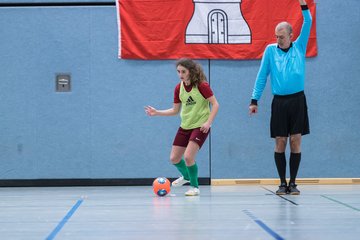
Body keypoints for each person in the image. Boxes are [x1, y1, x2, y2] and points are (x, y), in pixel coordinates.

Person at [249, 0, 312, 195]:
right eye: (276, 36)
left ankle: (293, 183)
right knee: (280, 142)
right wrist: (254, 99)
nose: (278, 40)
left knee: (295, 141)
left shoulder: (299, 47)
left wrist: (303, 5)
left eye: (282, 37)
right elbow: (262, 76)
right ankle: (282, 183)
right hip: (280, 102)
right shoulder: (270, 51)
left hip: (297, 101)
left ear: (291, 36)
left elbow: (308, 21)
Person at [145, 59, 219, 196]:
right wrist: (157, 112)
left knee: (189, 157)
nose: (180, 74)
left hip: (200, 126)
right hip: (185, 126)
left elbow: (215, 104)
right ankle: (186, 176)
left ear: (191, 71)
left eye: (183, 71)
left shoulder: (202, 86)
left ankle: (194, 187)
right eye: (178, 72)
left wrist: (208, 122)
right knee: (174, 158)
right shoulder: (179, 88)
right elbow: (174, 111)